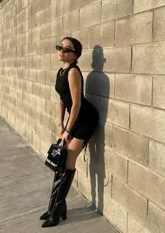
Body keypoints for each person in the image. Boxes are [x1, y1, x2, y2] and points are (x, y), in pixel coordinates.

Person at [40, 37, 99, 228]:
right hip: (73, 120)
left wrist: (68, 130)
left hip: (84, 119)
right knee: (60, 162)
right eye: (60, 47)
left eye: (67, 49)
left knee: (67, 162)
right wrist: (60, 124)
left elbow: (76, 104)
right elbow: (61, 100)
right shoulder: (61, 71)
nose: (62, 51)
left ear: (75, 54)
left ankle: (56, 210)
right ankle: (55, 207)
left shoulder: (73, 72)